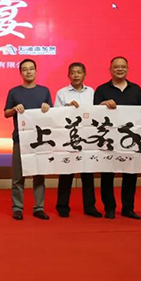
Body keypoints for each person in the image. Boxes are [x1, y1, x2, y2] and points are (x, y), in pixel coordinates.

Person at [93, 56, 141, 220]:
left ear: (127, 69)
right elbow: (94, 114)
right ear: (110, 70)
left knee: (130, 173)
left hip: (130, 140)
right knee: (107, 175)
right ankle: (109, 208)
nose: (120, 69)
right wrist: (102, 105)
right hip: (108, 139)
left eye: (123, 66)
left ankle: (128, 208)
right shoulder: (101, 90)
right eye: (116, 67)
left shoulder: (136, 89)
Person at [4, 59, 52, 220]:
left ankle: (39, 207)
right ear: (20, 72)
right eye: (25, 69)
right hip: (20, 139)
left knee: (39, 175)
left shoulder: (44, 91)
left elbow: (52, 114)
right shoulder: (14, 92)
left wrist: (47, 108)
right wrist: (14, 109)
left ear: (36, 71)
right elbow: (6, 113)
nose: (28, 72)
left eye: (31, 69)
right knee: (18, 176)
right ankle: (17, 207)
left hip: (40, 140)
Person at [54, 62, 102, 218]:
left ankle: (90, 206)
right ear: (68, 75)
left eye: (79, 72)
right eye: (73, 72)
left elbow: (97, 112)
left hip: (87, 137)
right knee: (66, 172)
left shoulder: (92, 92)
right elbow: (55, 115)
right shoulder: (62, 93)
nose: (76, 75)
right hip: (69, 137)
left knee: (88, 174)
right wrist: (67, 107)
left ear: (85, 75)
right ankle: (62, 206)